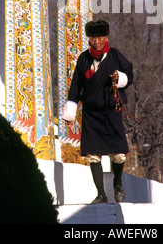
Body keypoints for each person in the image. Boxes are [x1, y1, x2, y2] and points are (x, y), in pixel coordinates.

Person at [62, 20, 133, 204]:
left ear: (106, 37)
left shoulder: (115, 55)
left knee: (118, 155)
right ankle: (101, 194)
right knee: (93, 156)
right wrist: (70, 114)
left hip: (112, 112)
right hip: (91, 114)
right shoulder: (84, 59)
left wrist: (120, 78)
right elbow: (76, 86)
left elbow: (130, 74)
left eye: (100, 37)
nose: (97, 41)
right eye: (93, 38)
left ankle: (118, 183)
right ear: (89, 39)